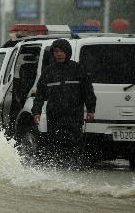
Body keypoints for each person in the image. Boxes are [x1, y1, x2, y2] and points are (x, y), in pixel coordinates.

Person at [32, 38, 96, 166]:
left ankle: (75, 169)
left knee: (74, 145)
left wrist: (91, 109)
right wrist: (36, 111)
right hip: (55, 117)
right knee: (55, 145)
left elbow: (88, 91)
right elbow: (39, 94)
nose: (59, 54)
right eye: (56, 51)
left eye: (61, 51)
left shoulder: (78, 69)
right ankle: (57, 170)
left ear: (67, 52)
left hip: (74, 116)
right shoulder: (48, 72)